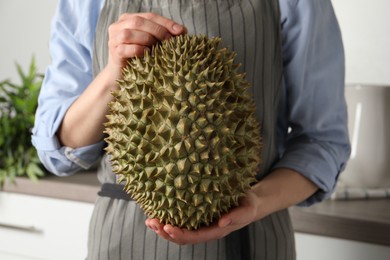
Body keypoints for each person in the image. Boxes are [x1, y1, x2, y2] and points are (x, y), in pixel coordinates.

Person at [32, 0, 351, 259]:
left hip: (251, 238)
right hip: (121, 242)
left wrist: (256, 202)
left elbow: (323, 143)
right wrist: (113, 72)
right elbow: (56, 148)